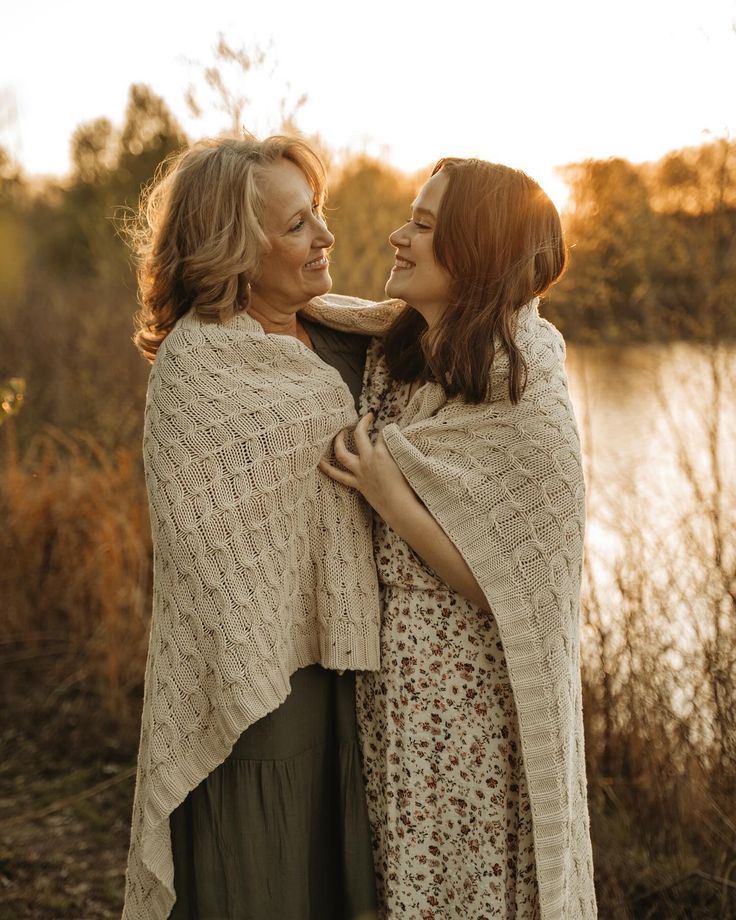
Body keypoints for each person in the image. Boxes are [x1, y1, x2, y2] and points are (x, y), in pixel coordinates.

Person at [313, 157, 597, 919]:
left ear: (473, 250)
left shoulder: (523, 379)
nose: (400, 237)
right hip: (396, 678)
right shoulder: (403, 349)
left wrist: (387, 493)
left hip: (470, 689)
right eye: (411, 218)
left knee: (467, 889)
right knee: (408, 883)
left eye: (426, 226)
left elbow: (514, 581)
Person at [121, 135, 382, 920]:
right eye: (298, 224)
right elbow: (205, 554)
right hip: (258, 694)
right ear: (235, 248)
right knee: (266, 886)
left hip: (359, 670)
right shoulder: (199, 371)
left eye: (320, 214)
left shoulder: (346, 332)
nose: (325, 237)